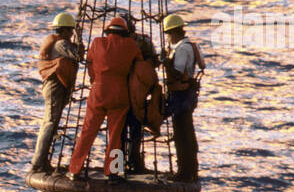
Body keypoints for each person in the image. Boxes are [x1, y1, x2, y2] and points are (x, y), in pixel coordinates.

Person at [66, 16, 142, 181]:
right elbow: (139, 64)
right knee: (115, 135)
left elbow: (90, 65)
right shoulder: (130, 45)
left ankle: (74, 169)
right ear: (125, 32)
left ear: (108, 31)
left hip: (99, 90)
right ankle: (113, 172)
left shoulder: (97, 42)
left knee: (87, 131)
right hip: (120, 92)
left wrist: (96, 81)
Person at [31, 12, 82, 174]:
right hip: (55, 87)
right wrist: (80, 38)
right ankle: (38, 163)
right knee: (50, 123)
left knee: (50, 123)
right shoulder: (61, 44)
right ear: (66, 30)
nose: (72, 34)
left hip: (54, 87)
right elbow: (79, 55)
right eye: (71, 31)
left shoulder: (57, 43)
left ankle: (42, 161)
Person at [161, 13, 205, 182]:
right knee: (187, 132)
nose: (168, 38)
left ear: (173, 33)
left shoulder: (182, 49)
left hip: (180, 96)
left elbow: (178, 72)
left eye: (168, 34)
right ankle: (191, 170)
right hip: (188, 95)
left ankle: (184, 172)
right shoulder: (191, 46)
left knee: (181, 135)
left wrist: (165, 62)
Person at [121, 14, 162, 173]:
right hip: (137, 94)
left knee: (119, 132)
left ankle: (117, 166)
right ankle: (134, 163)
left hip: (123, 93)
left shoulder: (116, 43)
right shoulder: (143, 42)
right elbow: (154, 64)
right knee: (135, 130)